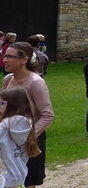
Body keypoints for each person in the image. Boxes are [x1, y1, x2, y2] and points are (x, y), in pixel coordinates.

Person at [1, 41, 54, 187]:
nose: (5, 60)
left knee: (28, 180)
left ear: (24, 60)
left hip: (30, 138)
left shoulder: (36, 82)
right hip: (8, 138)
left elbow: (47, 114)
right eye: (4, 56)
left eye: (10, 57)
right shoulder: (7, 79)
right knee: (8, 178)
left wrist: (28, 136)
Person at [0, 87, 42, 188]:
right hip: (19, 180)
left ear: (13, 105)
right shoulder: (27, 123)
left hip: (4, 180)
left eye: (2, 103)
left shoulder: (3, 126)